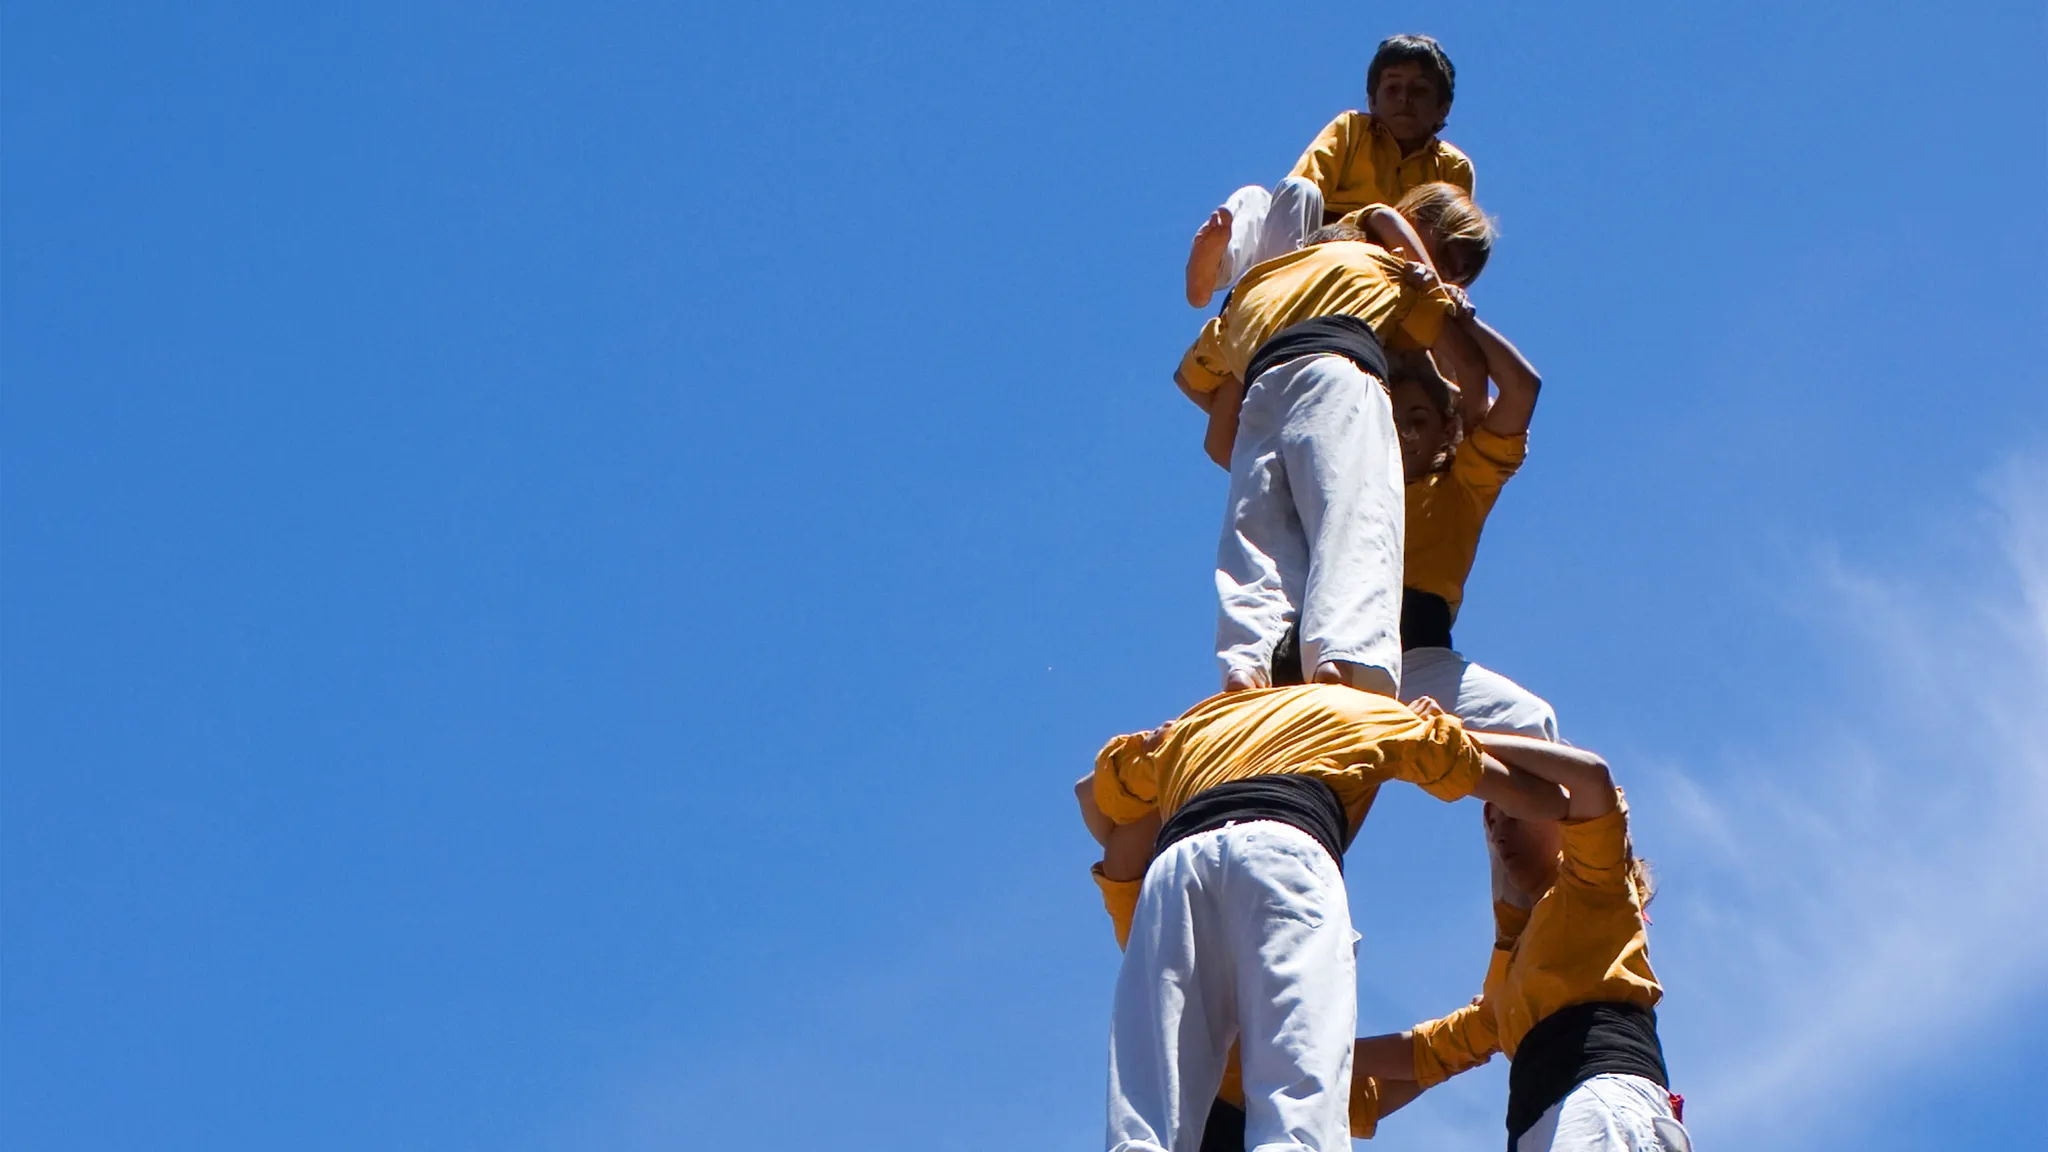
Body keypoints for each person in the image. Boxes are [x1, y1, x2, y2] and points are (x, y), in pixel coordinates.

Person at [1077, 685, 1568, 1152]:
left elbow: (1094, 799)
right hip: (1283, 849)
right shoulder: (1362, 708)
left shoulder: (1202, 719)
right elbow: (1538, 798)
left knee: (1145, 1114)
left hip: (1179, 860)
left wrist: (1150, 749)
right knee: (1298, 1108)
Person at [1175, 219, 1490, 697]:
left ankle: (1247, 664)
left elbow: (1191, 382)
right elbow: (1468, 363)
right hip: (1337, 370)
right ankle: (1340, 660)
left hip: (1260, 391)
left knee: (1259, 546)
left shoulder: (1257, 287)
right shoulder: (1373, 265)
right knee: (1351, 520)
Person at [1349, 732, 1693, 1151]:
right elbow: (1427, 1052)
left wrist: (1456, 738)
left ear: (1555, 812)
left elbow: (1591, 779)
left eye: (1511, 813)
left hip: (1599, 1100)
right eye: (1491, 824)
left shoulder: (1594, 884)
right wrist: (1294, 1049)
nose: (1498, 833)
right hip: (1543, 1125)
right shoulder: (1509, 982)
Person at [1185, 34, 1474, 309]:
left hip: (1389, 262)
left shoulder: (1452, 167)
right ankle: (1212, 271)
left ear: (1442, 108)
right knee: (1262, 197)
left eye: (1419, 90)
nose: (1404, 99)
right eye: (1392, 88)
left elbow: (1453, 247)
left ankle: (1280, 289)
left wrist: (1446, 288)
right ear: (1372, 101)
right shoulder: (1353, 129)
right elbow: (1305, 187)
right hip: (1318, 244)